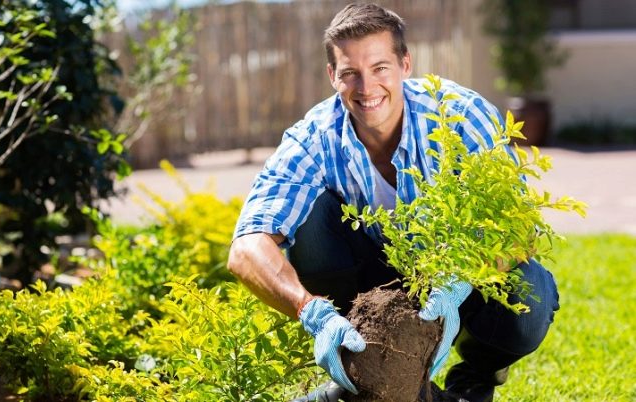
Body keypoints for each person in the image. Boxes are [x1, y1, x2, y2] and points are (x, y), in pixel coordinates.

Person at [227, 3, 560, 401]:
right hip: (365, 290)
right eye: (350, 73)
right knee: (307, 220)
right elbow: (246, 248)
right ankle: (363, 367)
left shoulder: (458, 115)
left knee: (531, 293)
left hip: (454, 275)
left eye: (380, 67)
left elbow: (518, 225)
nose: (366, 88)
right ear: (332, 76)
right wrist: (309, 310)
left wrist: (457, 284)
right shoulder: (313, 137)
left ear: (405, 64)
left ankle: (475, 376)